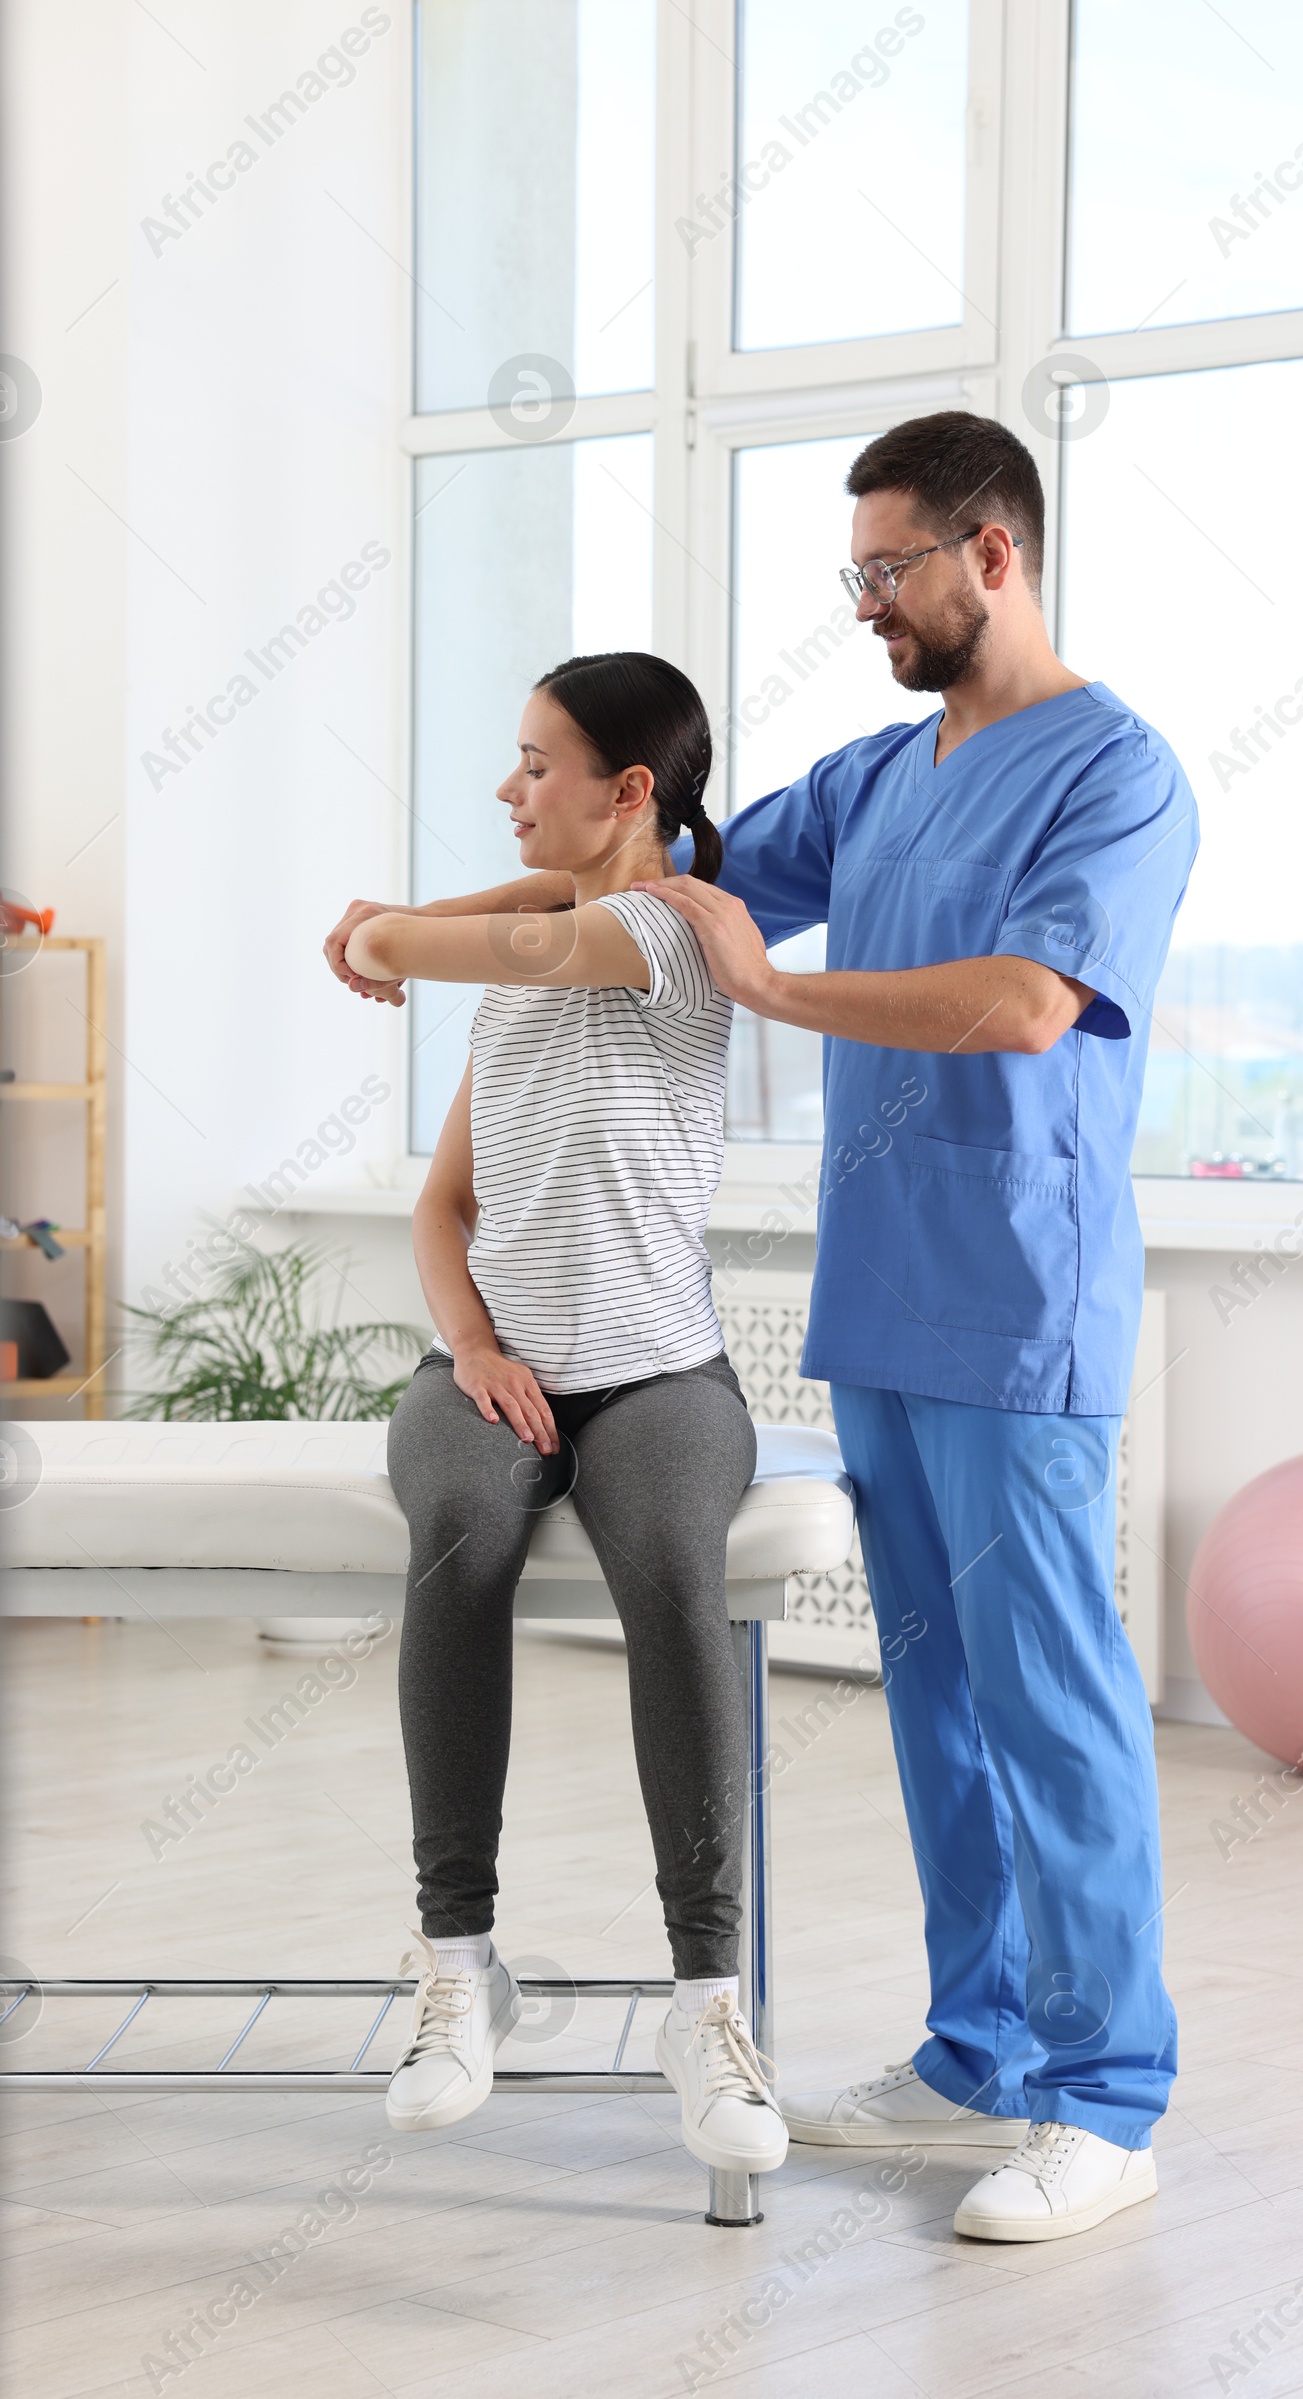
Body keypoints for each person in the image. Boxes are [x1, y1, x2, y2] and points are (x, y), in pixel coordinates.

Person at [327, 410, 1199, 2246]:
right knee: (937, 1704)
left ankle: (1108, 2095)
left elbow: (1030, 1006)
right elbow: (635, 867)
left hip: (1021, 1302)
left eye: (892, 569)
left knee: (1050, 1696)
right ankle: (978, 2053)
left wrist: (777, 992)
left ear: (994, 554)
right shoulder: (880, 781)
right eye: (854, 572)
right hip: (882, 1301)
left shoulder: (1115, 773)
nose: (870, 602)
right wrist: (405, 923)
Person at [338, 650, 786, 2182]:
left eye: (538, 765)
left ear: (630, 791)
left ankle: (706, 2003)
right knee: (459, 1529)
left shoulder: (672, 933)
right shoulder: (524, 971)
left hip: (661, 1374)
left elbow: (452, 934)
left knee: (673, 1566)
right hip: (493, 1365)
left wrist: (373, 930)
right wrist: (466, 1344)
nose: (509, 789)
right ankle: (458, 1967)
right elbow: (444, 1203)